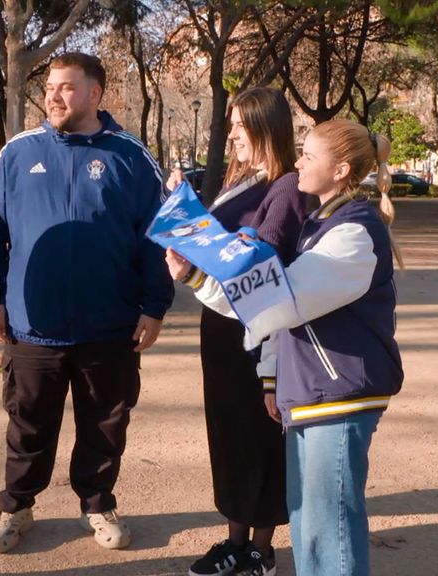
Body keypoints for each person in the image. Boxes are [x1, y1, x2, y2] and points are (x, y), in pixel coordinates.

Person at [178, 119, 404, 576]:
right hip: (314, 393)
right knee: (308, 526)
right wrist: (272, 379)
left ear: (341, 170)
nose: (297, 163)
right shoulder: (322, 222)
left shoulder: (353, 232)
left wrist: (196, 277)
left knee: (329, 531)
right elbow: (283, 314)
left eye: (308, 156)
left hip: (339, 398)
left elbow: (281, 301)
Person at [0, 52, 174, 553]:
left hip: (110, 325)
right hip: (32, 325)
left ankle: (98, 504)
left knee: (105, 423)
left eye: (66, 87)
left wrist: (154, 305)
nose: (54, 97)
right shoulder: (17, 154)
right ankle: (16, 506)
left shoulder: (131, 157)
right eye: (49, 88)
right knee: (28, 423)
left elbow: (160, 238)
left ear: (94, 94)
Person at [164, 87, 307, 576]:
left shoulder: (285, 187)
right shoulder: (244, 180)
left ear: (267, 127)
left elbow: (262, 270)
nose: (232, 134)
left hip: (256, 332)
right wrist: (181, 212)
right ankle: (236, 540)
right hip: (221, 328)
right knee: (228, 433)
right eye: (230, 124)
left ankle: (260, 551)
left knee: (258, 436)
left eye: (240, 125)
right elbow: (223, 245)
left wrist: (196, 269)